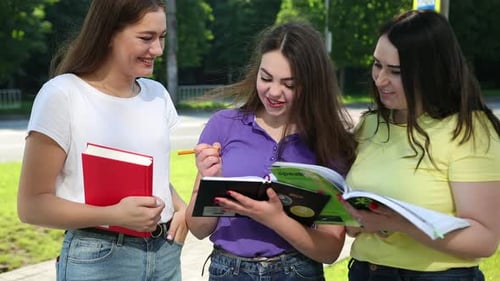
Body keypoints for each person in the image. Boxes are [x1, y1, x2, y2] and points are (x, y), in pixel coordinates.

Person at [17, 0, 188, 280]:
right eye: (146, 38)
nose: (157, 49)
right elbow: (31, 205)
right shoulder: (62, 95)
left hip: (164, 254)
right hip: (100, 258)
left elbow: (153, 175)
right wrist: (113, 214)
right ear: (108, 33)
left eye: (162, 38)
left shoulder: (157, 95)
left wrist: (180, 208)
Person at [185, 21, 357, 280]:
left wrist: (276, 219)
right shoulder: (223, 125)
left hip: (297, 271)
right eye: (266, 78)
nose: (274, 92)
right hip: (229, 270)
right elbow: (198, 229)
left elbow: (330, 249)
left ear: (312, 85)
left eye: (289, 84)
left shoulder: (330, 142)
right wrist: (211, 179)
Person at [340, 9, 500, 281]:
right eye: (377, 65)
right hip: (366, 272)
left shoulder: (470, 131)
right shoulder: (370, 125)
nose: (380, 80)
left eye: (396, 71)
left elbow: (484, 239)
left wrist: (399, 224)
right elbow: (354, 225)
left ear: (432, 72)